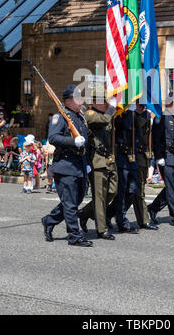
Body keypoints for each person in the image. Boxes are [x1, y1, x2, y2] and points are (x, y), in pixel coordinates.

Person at [41, 84, 93, 247]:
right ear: (69, 101)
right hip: (65, 166)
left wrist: (87, 163)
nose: (81, 101)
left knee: (75, 201)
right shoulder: (60, 117)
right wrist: (72, 141)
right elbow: (53, 138)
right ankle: (74, 235)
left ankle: (49, 220)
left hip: (79, 166)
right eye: (78, 98)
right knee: (70, 204)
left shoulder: (79, 118)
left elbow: (86, 143)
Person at [147, 93, 174, 228]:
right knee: (171, 189)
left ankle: (153, 208)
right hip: (167, 157)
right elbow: (156, 138)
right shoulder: (162, 117)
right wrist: (159, 157)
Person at [79, 92, 118, 240]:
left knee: (113, 191)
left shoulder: (104, 114)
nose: (106, 104)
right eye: (104, 101)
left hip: (108, 159)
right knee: (100, 196)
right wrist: (112, 108)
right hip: (97, 161)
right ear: (94, 102)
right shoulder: (90, 114)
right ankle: (101, 229)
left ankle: (84, 213)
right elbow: (105, 119)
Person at [106, 110, 139, 234]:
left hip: (132, 157)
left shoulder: (133, 114)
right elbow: (124, 125)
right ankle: (122, 222)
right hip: (120, 158)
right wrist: (128, 111)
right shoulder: (117, 114)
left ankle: (108, 213)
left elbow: (138, 133)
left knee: (132, 191)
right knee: (121, 192)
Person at [128, 103, 158, 230]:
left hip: (143, 158)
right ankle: (143, 219)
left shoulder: (146, 115)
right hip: (131, 157)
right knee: (130, 192)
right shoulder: (131, 116)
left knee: (138, 191)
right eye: (139, 105)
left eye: (143, 106)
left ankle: (143, 220)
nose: (141, 108)